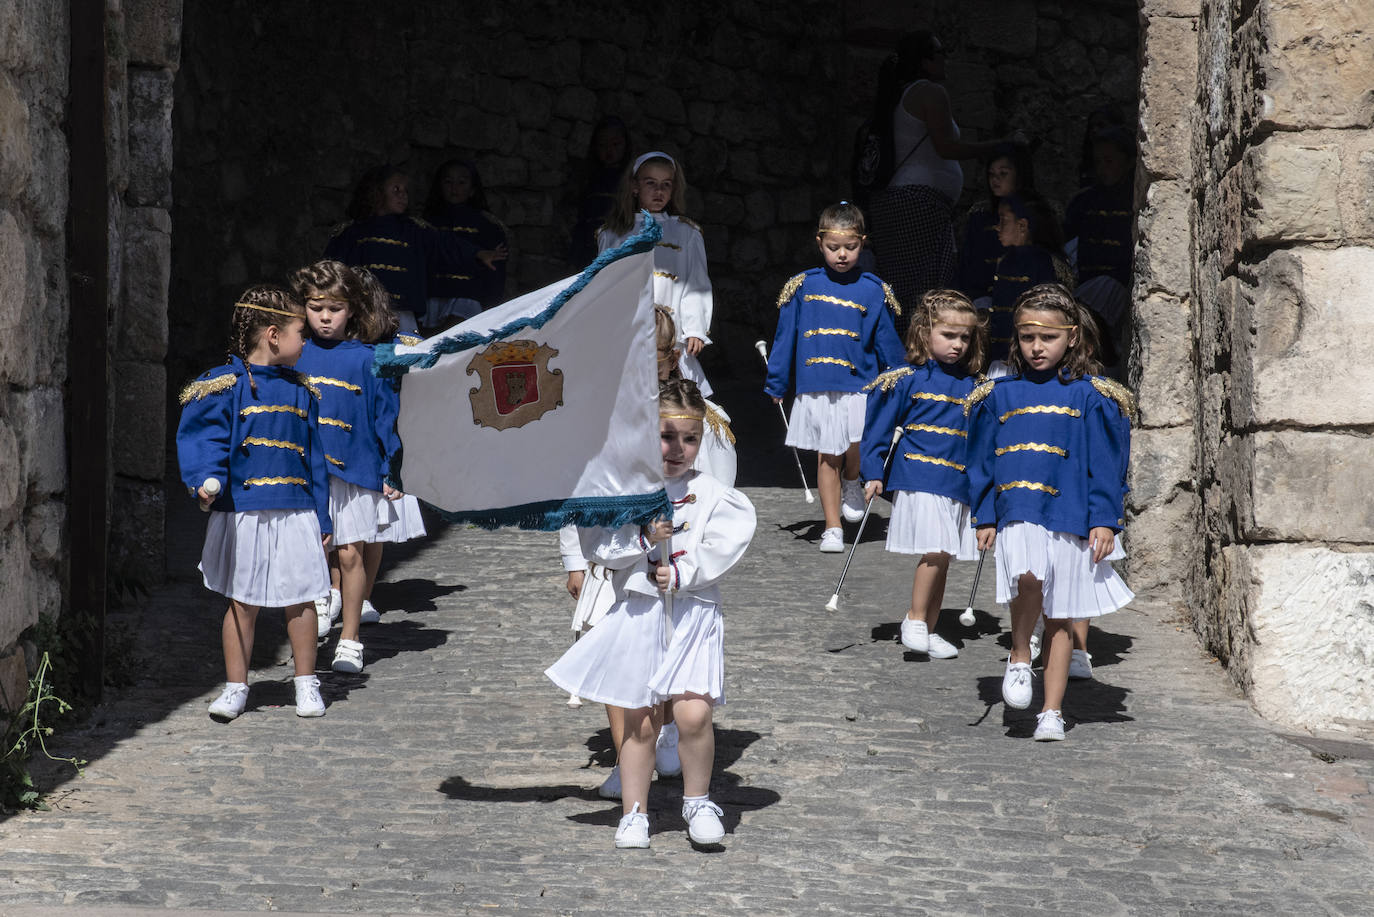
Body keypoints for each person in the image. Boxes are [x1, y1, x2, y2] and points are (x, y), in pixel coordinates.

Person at [545, 378, 756, 849]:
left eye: (690, 438)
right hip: (640, 612)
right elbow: (599, 545)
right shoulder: (625, 491)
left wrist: (683, 573)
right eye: (666, 436)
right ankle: (635, 812)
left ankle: (697, 801)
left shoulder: (714, 494)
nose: (678, 448)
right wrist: (643, 540)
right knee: (640, 719)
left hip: (692, 613)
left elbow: (726, 543)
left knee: (694, 713)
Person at [556, 306, 736, 793]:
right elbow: (585, 491)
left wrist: (684, 555)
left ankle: (667, 733)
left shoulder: (701, 418)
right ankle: (625, 761)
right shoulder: (605, 418)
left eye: (649, 356)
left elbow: (715, 491)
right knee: (623, 664)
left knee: (665, 662)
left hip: (674, 573)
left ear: (670, 356)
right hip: (616, 560)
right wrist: (577, 557)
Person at [966, 283, 1135, 741]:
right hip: (1017, 506)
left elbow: (1106, 466)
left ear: (1073, 337)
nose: (1036, 348)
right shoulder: (995, 396)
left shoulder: (1094, 397)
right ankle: (1020, 654)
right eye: (1026, 338)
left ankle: (1052, 711)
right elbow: (980, 461)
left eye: (1048, 338)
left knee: (1062, 612)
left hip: (1071, 511)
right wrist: (984, 516)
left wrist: (1104, 519)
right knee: (1028, 578)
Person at [175, 285, 331, 721]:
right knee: (243, 602)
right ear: (274, 335)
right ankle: (236, 686)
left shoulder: (304, 390)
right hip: (244, 509)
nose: (307, 342)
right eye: (302, 332)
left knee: (300, 599)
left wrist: (323, 513)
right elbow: (205, 440)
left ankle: (305, 682)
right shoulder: (224, 386)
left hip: (296, 507)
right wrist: (204, 483)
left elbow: (315, 457)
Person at [764, 202, 906, 553]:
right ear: (819, 242)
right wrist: (777, 381)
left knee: (855, 445)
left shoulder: (874, 290)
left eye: (850, 247)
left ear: (863, 243)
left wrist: (900, 379)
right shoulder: (803, 287)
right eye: (833, 247)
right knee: (828, 454)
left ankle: (853, 479)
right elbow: (785, 338)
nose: (842, 255)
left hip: (860, 383)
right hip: (818, 381)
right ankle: (832, 526)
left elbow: (887, 342)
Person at [865, 31, 1024, 336]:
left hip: (899, 203)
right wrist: (1000, 145)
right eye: (939, 53)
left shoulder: (899, 94)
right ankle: (913, 360)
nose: (945, 59)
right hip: (918, 205)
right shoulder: (929, 93)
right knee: (922, 290)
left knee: (904, 287)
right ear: (925, 61)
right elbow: (947, 147)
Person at [290, 261, 405, 675]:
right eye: (316, 306)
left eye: (334, 308)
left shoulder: (370, 359)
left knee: (351, 553)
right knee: (313, 549)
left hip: (355, 469)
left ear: (352, 310)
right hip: (304, 470)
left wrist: (392, 468)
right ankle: (318, 607)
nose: (324, 316)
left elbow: (383, 416)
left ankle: (351, 637)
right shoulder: (294, 353)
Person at [861, 290, 988, 659]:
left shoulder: (976, 388)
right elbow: (878, 430)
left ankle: (928, 628)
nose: (958, 344)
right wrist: (872, 471)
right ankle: (915, 618)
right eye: (948, 335)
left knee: (944, 554)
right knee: (934, 549)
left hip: (956, 482)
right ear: (923, 332)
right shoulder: (905, 379)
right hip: (920, 475)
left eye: (965, 337)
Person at [325, 164, 506, 334]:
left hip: (403, 314)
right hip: (364, 313)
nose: (403, 195)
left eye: (405, 191)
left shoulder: (414, 229)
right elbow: (332, 272)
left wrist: (478, 253)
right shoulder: (352, 232)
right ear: (377, 192)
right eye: (396, 189)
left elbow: (447, 244)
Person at [598, 151, 714, 395]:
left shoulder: (686, 233)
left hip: (673, 337)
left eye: (666, 185)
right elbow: (602, 287)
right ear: (634, 187)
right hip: (627, 334)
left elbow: (696, 283)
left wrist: (695, 329)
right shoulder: (612, 234)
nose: (658, 191)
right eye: (650, 183)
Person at [1064, 124, 1135, 368]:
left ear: (1127, 162)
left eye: (1109, 161)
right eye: (1098, 162)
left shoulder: (1134, 200)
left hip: (1119, 282)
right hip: (1087, 281)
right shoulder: (1084, 201)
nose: (1103, 168)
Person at [985, 191, 1073, 366]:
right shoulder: (1005, 261)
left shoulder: (1048, 262)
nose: (997, 226)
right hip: (1000, 356)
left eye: (1004, 220)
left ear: (1022, 226)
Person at [422, 159, 509, 330]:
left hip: (468, 296)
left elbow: (496, 272)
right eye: (448, 182)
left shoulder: (489, 226)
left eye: (462, 182)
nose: (454, 188)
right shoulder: (426, 223)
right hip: (433, 294)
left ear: (473, 189)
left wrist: (491, 306)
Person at [957, 143, 1036, 303]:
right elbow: (967, 266)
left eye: (1003, 173)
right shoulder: (980, 215)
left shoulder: (1038, 214)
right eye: (991, 174)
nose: (995, 179)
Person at [568, 116, 632, 268]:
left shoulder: (632, 181)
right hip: (589, 250)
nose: (610, 150)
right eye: (603, 145)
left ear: (625, 145)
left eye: (616, 144)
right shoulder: (588, 180)